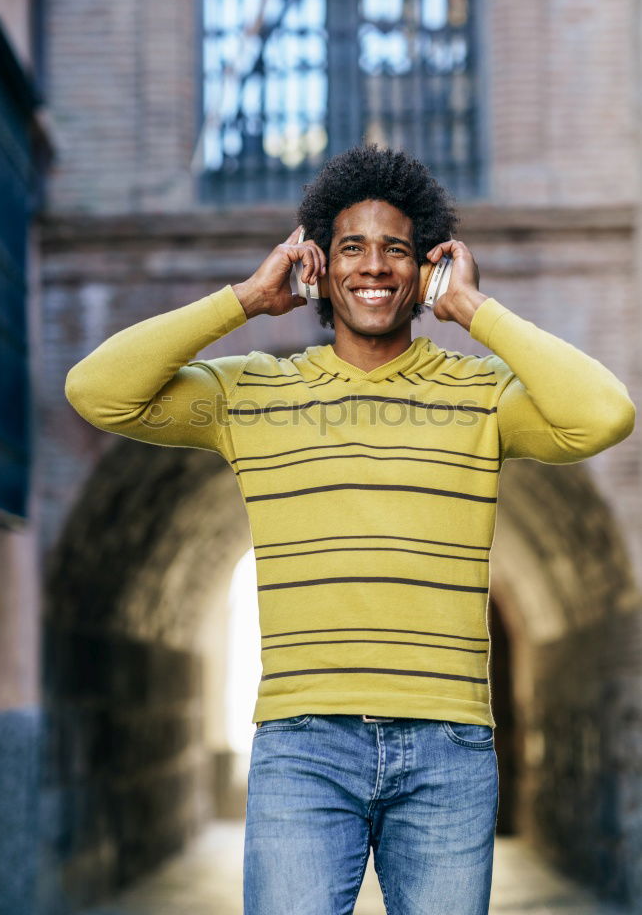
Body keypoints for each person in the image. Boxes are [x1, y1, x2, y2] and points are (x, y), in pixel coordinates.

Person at [64, 144, 635, 915]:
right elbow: (97, 391)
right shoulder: (251, 394)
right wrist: (243, 300)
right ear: (319, 268)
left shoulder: (484, 394)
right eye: (352, 248)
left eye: (396, 249)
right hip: (303, 746)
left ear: (423, 268)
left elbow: (605, 414)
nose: (373, 266)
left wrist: (473, 310)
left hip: (448, 749)